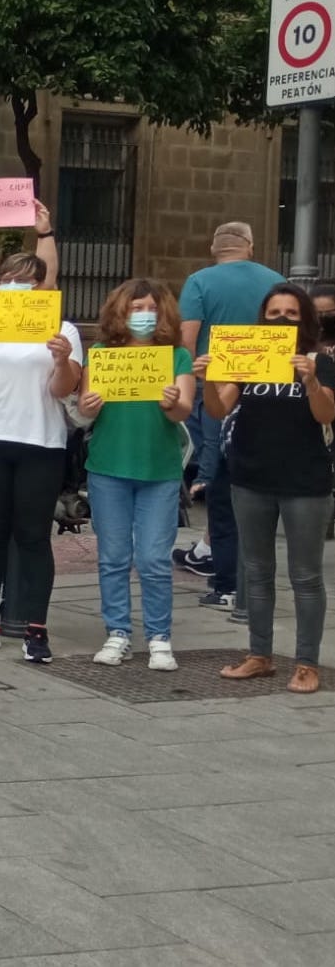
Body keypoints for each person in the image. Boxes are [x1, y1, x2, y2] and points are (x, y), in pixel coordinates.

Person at [201, 284, 334, 694]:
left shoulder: (320, 361)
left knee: (305, 575)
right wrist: (209, 378)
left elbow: (326, 413)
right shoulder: (249, 356)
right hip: (250, 478)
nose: (281, 319)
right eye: (274, 312)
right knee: (257, 571)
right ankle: (259, 655)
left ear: (305, 319)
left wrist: (310, 381)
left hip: (305, 483)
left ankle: (307, 663)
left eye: (291, 313)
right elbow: (219, 408)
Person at [0, 252, 83, 663]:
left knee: (33, 536)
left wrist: (61, 359)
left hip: (40, 442)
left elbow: (63, 389)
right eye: (10, 277)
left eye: (29, 279)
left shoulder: (62, 329)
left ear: (43, 287)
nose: (18, 285)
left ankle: (36, 627)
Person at [79, 279, 194, 672]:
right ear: (121, 312)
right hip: (108, 467)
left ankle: (159, 637)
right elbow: (85, 410)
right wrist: (89, 404)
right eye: (136, 307)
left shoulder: (177, 356)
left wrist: (171, 403)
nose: (145, 315)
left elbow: (183, 411)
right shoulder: (101, 354)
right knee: (112, 557)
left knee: (154, 558)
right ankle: (118, 632)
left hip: (159, 470)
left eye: (152, 308)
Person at [177, 222, 283, 619]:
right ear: (250, 246)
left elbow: (188, 340)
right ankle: (254, 582)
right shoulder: (276, 281)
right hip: (267, 397)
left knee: (220, 488)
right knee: (257, 490)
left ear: (214, 248)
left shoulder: (200, 282)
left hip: (217, 394)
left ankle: (225, 583)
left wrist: (192, 384)